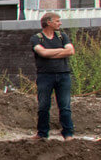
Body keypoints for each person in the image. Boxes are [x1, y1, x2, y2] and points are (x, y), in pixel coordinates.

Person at [31, 12, 76, 141]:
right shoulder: (37, 38)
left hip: (63, 75)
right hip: (45, 76)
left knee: (65, 106)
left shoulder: (62, 36)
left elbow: (71, 51)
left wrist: (50, 53)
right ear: (48, 22)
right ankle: (42, 133)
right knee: (43, 106)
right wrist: (61, 51)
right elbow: (42, 52)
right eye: (57, 21)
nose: (60, 23)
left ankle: (68, 134)